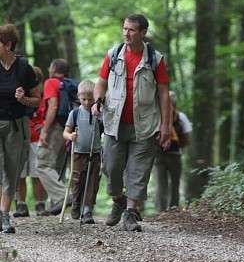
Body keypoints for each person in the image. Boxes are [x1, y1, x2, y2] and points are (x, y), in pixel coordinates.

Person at [91, 13, 171, 232]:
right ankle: (119, 199)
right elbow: (101, 83)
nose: (126, 33)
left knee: (139, 169)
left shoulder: (155, 59)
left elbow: (164, 93)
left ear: (143, 33)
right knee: (111, 167)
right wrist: (97, 101)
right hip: (114, 123)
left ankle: (131, 213)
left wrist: (166, 125)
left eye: (132, 30)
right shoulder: (113, 54)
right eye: (125, 28)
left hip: (144, 124)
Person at [0, 24, 41, 234]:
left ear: (8, 45)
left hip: (16, 126)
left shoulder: (24, 68)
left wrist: (24, 99)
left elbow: (37, 100)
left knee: (12, 171)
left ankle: (4, 214)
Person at [37, 58, 73, 216]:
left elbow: (53, 106)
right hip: (69, 128)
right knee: (57, 168)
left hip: (55, 127)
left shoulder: (51, 82)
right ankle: (54, 205)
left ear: (53, 69)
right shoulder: (70, 84)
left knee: (42, 165)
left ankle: (63, 196)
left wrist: (45, 129)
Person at [63, 80, 102, 225]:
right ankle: (76, 203)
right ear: (79, 97)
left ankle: (87, 210)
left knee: (92, 182)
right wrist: (70, 136)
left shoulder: (98, 113)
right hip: (78, 153)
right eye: (83, 99)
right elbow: (65, 132)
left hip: (95, 152)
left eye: (90, 99)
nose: (87, 102)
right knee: (78, 179)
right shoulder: (75, 113)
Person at [13, 65, 48, 217]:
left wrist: (45, 126)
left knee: (36, 172)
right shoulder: (18, 95)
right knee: (20, 173)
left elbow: (48, 114)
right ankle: (21, 204)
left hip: (36, 139)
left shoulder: (41, 97)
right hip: (19, 137)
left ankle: (40, 204)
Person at [152, 91, 192, 212]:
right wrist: (180, 148)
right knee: (174, 183)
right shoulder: (181, 117)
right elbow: (186, 137)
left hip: (158, 153)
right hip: (174, 154)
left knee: (159, 183)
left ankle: (160, 210)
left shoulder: (156, 115)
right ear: (175, 103)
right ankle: (173, 209)